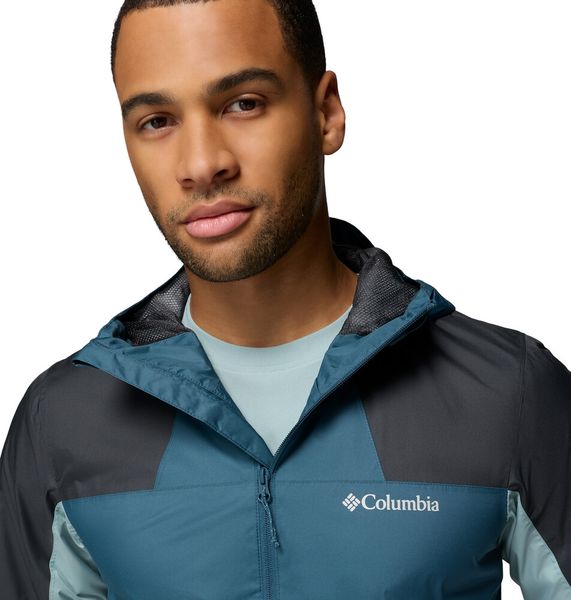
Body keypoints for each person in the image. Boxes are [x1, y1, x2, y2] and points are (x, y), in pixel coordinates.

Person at [0, 0, 569, 597]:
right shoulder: (62, 421)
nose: (201, 164)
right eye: (157, 120)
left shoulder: (509, 393)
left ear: (326, 114)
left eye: (243, 104)